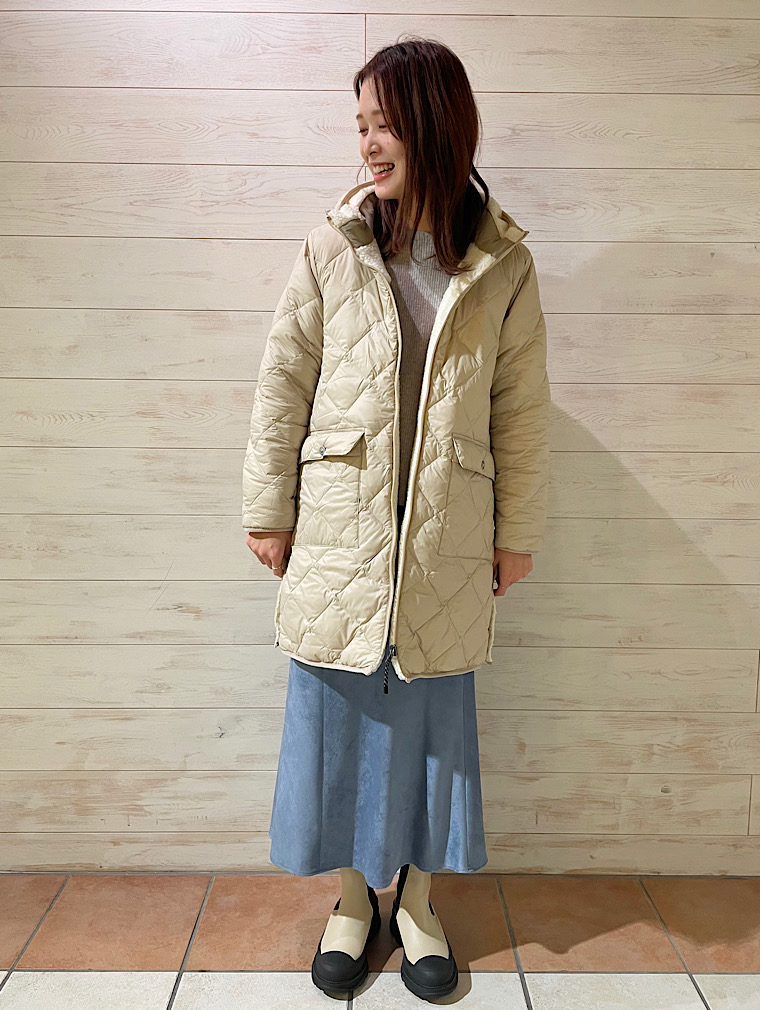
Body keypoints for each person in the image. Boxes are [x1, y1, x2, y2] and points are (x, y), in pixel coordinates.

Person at [241, 37, 550, 1002]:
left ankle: (416, 901)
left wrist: (516, 533)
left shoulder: (501, 262)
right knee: (335, 714)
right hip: (339, 526)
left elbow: (520, 408)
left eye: (384, 124)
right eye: (361, 125)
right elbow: (283, 384)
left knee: (429, 727)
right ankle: (349, 898)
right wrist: (268, 509)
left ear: (434, 124)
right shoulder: (332, 246)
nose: (368, 143)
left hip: (445, 533)